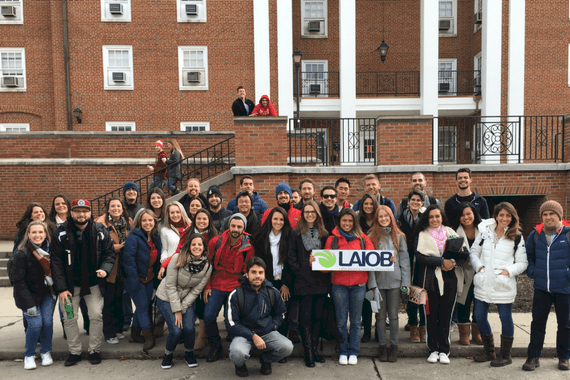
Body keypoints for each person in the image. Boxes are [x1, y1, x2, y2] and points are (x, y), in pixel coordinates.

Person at [50, 199, 116, 366]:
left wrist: (105, 269)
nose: (81, 214)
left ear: (89, 213)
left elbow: (109, 253)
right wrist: (61, 288)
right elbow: (55, 262)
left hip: (93, 283)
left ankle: (94, 350)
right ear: (72, 213)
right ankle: (75, 352)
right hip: (69, 287)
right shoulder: (61, 232)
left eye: (85, 211)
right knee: (70, 318)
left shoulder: (100, 230)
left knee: (95, 315)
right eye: (78, 211)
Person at [470, 202, 527, 367]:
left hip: (503, 283)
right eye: (501, 215)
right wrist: (479, 267)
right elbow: (474, 252)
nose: (504, 218)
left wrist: (508, 271)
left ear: (513, 217)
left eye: (508, 216)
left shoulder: (517, 236)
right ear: (496, 216)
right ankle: (489, 352)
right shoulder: (485, 232)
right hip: (484, 281)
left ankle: (505, 355)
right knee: (479, 316)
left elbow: (522, 263)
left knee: (505, 317)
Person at [412, 204, 468, 365]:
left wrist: (453, 263)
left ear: (442, 217)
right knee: (431, 316)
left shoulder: (451, 232)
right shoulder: (421, 234)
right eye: (431, 217)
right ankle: (433, 349)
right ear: (426, 219)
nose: (434, 219)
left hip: (450, 279)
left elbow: (464, 254)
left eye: (437, 216)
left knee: (445, 316)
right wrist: (440, 261)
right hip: (430, 281)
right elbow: (420, 257)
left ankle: (444, 350)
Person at [523, 200, 570, 372]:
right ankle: (533, 357)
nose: (548, 217)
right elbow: (528, 256)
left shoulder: (568, 234)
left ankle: (564, 357)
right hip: (541, 288)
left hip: (564, 288)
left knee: (565, 325)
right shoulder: (535, 235)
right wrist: (533, 271)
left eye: (552, 214)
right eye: (545, 214)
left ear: (559, 216)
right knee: (537, 323)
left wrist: (567, 274)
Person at [227, 257, 293, 377]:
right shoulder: (236, 294)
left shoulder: (272, 291)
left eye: (260, 272)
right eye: (253, 272)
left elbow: (281, 313)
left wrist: (272, 326)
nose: (257, 276)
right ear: (247, 274)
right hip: (244, 334)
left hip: (266, 332)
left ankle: (266, 360)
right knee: (237, 352)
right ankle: (240, 365)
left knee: (287, 347)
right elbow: (231, 323)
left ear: (264, 274)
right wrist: (252, 336)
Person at [324, 208, 375, 366]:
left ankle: (353, 351)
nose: (347, 223)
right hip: (338, 285)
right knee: (340, 321)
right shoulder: (332, 239)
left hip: (359, 285)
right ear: (339, 221)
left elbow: (372, 257)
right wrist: (315, 259)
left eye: (350, 221)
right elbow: (325, 264)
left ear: (355, 222)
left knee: (355, 321)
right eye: (344, 220)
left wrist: (388, 259)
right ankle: (342, 351)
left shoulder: (363, 239)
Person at [203, 214, 255, 363]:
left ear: (244, 228)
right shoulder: (216, 241)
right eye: (233, 226)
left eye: (239, 227)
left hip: (235, 283)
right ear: (228, 226)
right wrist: (207, 286)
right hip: (217, 282)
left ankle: (235, 346)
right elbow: (208, 265)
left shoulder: (248, 245)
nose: (235, 229)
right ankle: (215, 346)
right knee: (209, 316)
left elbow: (247, 270)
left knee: (230, 319)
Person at [156, 233, 212, 369]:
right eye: (194, 244)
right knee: (176, 330)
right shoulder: (177, 258)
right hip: (166, 297)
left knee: (189, 328)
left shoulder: (207, 267)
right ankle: (168, 354)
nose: (196, 247)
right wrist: (177, 310)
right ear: (189, 246)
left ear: (204, 248)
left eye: (200, 244)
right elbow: (170, 285)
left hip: (186, 299)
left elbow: (196, 290)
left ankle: (189, 353)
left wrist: (183, 307)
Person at [287, 200, 329, 367]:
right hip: (303, 281)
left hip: (320, 281)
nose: (310, 214)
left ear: (317, 214)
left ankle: (314, 349)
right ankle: (308, 353)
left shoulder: (324, 233)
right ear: (303, 214)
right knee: (304, 318)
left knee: (317, 317)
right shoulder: (295, 233)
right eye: (307, 212)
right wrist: (301, 272)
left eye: (313, 212)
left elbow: (329, 257)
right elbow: (291, 257)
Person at [367, 206, 410, 363]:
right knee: (379, 316)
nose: (383, 219)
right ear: (376, 219)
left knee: (393, 316)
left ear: (391, 217)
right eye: (380, 216)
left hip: (394, 282)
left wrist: (405, 283)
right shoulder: (371, 236)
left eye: (386, 216)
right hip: (378, 282)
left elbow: (405, 262)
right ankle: (382, 346)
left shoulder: (399, 236)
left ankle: (394, 346)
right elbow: (368, 262)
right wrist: (371, 283)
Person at [11, 221, 56, 370]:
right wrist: (29, 305)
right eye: (34, 232)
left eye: (40, 232)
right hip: (28, 297)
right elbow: (18, 282)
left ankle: (45, 352)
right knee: (36, 325)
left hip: (47, 294)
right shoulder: (21, 254)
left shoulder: (52, 251)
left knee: (48, 323)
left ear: (45, 234)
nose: (38, 235)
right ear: (28, 235)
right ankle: (29, 355)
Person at [94, 197, 133, 345]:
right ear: (108, 208)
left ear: (122, 208)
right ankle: (109, 333)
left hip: (124, 267)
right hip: (109, 268)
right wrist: (121, 246)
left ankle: (117, 330)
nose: (116, 208)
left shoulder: (128, 222)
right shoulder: (101, 224)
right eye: (113, 206)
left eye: (118, 206)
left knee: (119, 300)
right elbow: (101, 246)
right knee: (109, 302)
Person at [123, 209, 163, 351]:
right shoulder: (133, 237)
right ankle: (148, 336)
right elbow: (129, 262)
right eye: (144, 220)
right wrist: (135, 282)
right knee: (143, 307)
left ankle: (134, 334)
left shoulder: (156, 237)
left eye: (150, 220)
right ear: (139, 222)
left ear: (154, 222)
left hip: (150, 278)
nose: (147, 223)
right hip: (135, 279)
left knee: (143, 306)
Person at [253, 207, 293, 340]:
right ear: (270, 219)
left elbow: (290, 262)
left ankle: (282, 344)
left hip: (284, 282)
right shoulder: (261, 237)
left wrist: (286, 283)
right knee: (266, 313)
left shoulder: (289, 236)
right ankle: (267, 343)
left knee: (282, 313)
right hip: (266, 281)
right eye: (275, 218)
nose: (278, 222)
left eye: (281, 219)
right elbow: (258, 261)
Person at [397, 190, 426, 343]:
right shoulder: (401, 218)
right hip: (406, 258)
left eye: (418, 200)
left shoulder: (425, 217)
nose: (415, 202)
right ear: (408, 201)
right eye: (413, 199)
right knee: (409, 292)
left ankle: (423, 325)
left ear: (422, 202)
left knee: (421, 291)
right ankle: (413, 324)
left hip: (422, 259)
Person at [453, 203, 483, 346]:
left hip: (480, 273)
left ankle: (477, 334)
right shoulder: (453, 232)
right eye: (462, 215)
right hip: (463, 274)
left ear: (474, 214)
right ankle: (464, 334)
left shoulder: (484, 231)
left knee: (480, 304)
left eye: (468, 214)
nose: (466, 217)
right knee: (463, 304)